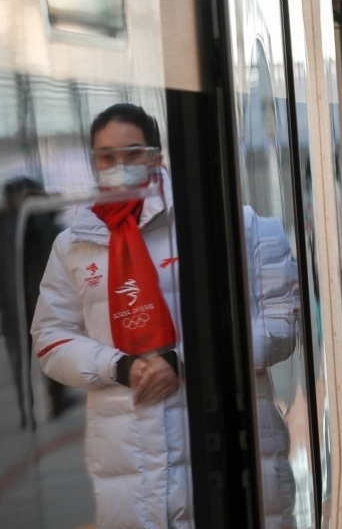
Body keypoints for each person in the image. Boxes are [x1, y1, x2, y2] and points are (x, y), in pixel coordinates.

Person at [30, 104, 298, 528]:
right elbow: (50, 337)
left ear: (157, 156)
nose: (120, 166)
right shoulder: (74, 245)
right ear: (93, 162)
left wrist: (185, 359)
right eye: (106, 157)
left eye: (133, 153)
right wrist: (118, 366)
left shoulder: (237, 227)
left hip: (226, 440)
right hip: (126, 455)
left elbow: (281, 330)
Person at [0, 177, 70, 428]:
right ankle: (54, 399)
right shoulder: (47, 223)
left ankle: (26, 408)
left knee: (20, 360)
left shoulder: (4, 230)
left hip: (13, 306)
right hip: (43, 300)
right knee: (53, 350)